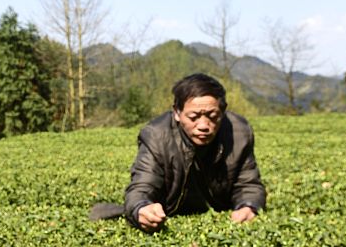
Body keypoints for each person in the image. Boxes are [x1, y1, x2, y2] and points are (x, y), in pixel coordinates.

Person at [90, 73, 265, 228]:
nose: (203, 126)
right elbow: (142, 186)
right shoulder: (156, 136)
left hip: (219, 209)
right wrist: (141, 208)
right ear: (177, 113)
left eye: (212, 116)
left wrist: (248, 206)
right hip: (170, 210)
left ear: (223, 111)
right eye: (193, 117)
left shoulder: (239, 133)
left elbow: (248, 183)